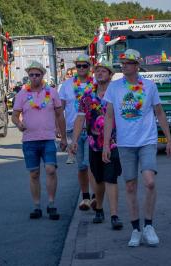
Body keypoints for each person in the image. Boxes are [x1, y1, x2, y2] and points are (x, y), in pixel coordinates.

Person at [102, 49, 171, 247]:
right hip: (125, 143)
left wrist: (168, 139)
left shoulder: (149, 86)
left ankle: (149, 225)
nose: (123, 65)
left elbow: (159, 112)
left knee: (149, 182)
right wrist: (106, 144)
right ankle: (136, 229)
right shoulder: (114, 87)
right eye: (122, 62)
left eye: (128, 62)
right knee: (131, 186)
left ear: (137, 65)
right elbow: (109, 117)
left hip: (147, 141)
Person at [12, 61, 67, 220]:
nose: (34, 77)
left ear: (43, 75)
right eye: (31, 75)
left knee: (51, 169)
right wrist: (19, 123)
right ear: (28, 76)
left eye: (37, 74)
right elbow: (14, 115)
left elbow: (59, 115)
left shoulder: (52, 92)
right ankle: (36, 205)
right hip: (29, 140)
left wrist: (63, 137)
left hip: (48, 139)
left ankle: (51, 203)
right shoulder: (22, 94)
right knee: (34, 173)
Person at [71, 61, 123, 230]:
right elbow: (80, 118)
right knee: (99, 180)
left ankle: (114, 215)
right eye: (97, 71)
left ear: (110, 74)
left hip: (114, 143)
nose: (99, 73)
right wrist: (74, 140)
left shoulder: (117, 92)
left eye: (103, 71)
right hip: (94, 144)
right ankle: (99, 209)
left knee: (111, 178)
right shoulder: (87, 94)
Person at [59, 54, 96, 211]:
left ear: (90, 67)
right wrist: (58, 129)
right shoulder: (67, 85)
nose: (81, 69)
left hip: (92, 129)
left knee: (91, 164)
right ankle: (85, 197)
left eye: (84, 66)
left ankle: (95, 197)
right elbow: (59, 109)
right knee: (81, 166)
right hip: (72, 129)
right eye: (78, 66)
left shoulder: (95, 83)